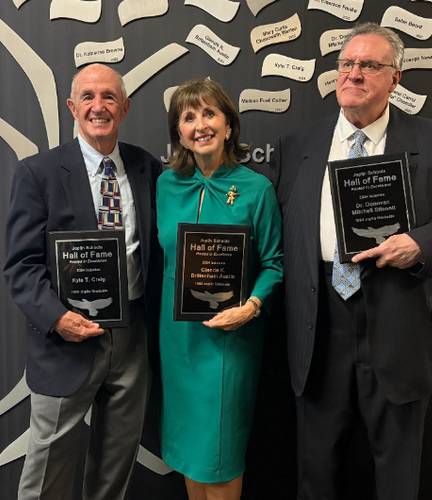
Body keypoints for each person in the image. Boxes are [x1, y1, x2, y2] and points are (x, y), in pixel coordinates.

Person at [270, 22, 432, 499]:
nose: (354, 74)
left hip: (399, 314)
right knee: (316, 463)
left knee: (397, 467)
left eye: (370, 65)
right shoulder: (297, 145)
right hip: (319, 319)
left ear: (396, 78)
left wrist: (420, 245)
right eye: (347, 64)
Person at [3, 63, 162, 500]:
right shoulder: (38, 173)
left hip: (131, 338)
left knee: (115, 468)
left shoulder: (147, 167)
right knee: (46, 474)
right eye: (88, 97)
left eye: (109, 97)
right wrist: (57, 319)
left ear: (125, 107)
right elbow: (21, 265)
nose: (99, 106)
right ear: (72, 107)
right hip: (66, 340)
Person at [156, 78, 283, 500]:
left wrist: (251, 307)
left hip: (229, 338)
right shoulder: (165, 186)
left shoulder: (256, 189)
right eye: (188, 117)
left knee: (221, 453)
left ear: (229, 125)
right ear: (178, 133)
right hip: (178, 341)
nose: (200, 125)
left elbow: (274, 264)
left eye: (209, 113)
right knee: (191, 452)